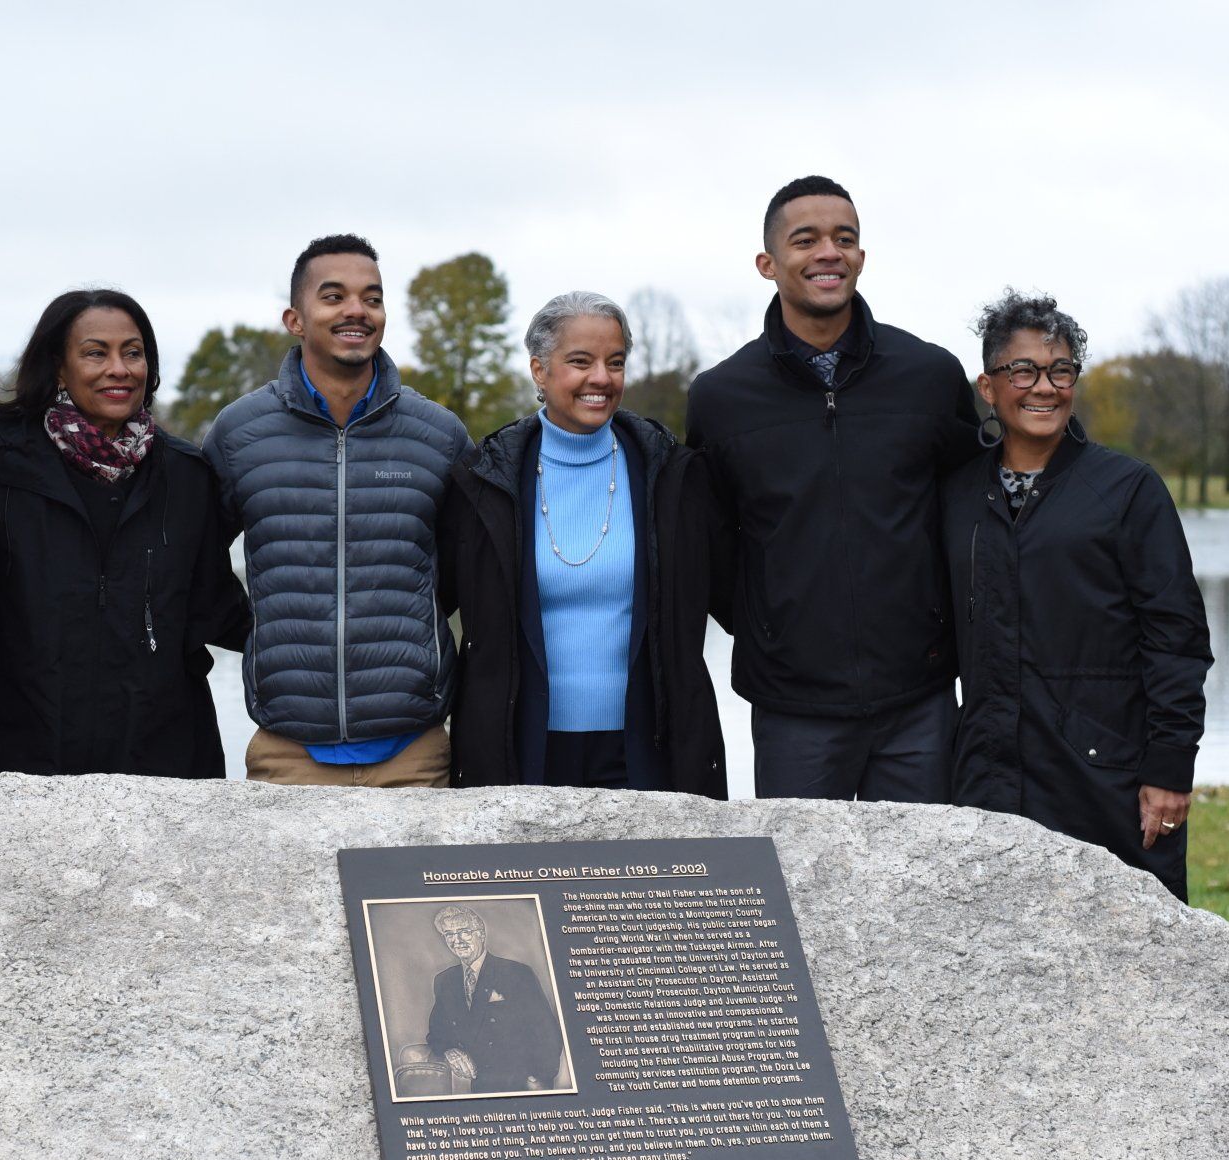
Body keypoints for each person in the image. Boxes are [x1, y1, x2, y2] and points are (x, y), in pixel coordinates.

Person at [686, 176, 980, 801]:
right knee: (798, 892)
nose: (828, 252)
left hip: (920, 699)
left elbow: (971, 515)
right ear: (768, 263)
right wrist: (770, 627)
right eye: (806, 239)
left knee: (927, 889)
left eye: (844, 239)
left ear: (861, 259)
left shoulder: (929, 376)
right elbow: (709, 542)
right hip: (793, 706)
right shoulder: (720, 397)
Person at [944, 292, 1212, 901]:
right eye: (1024, 371)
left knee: (1138, 948)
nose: (1045, 387)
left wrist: (1170, 767)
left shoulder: (1126, 490)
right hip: (988, 773)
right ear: (988, 387)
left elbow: (1178, 638)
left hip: (1104, 774)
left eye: (1061, 370)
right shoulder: (958, 496)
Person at [202, 234, 471, 786]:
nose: (356, 310)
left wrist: (411, 643)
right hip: (287, 754)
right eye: (333, 296)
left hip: (415, 755)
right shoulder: (239, 433)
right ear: (295, 319)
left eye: (371, 298)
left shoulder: (439, 435)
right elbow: (197, 561)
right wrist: (263, 634)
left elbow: (465, 571)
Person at [439, 291, 726, 795]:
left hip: (648, 749)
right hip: (520, 749)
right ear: (539, 370)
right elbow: (435, 604)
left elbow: (730, 592)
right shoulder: (481, 482)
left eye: (615, 363)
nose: (601, 378)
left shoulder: (673, 476)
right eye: (580, 362)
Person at [0, 290, 249, 777]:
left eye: (133, 351)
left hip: (166, 763)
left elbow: (216, 609)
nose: (119, 368)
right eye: (95, 352)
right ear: (59, 367)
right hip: (25, 762)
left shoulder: (187, 475)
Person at [425, 905, 562, 1094]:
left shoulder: (516, 973)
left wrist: (539, 1077)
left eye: (464, 932)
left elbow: (545, 1030)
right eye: (449, 934)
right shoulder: (444, 980)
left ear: (481, 934)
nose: (457, 941)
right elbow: (437, 1032)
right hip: (470, 1083)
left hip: (516, 1081)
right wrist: (449, 1050)